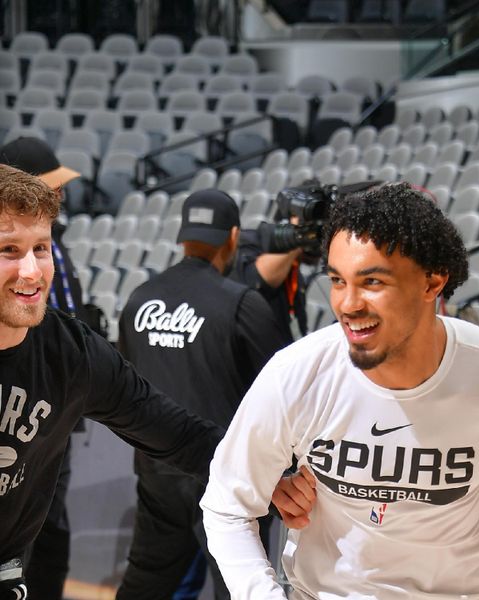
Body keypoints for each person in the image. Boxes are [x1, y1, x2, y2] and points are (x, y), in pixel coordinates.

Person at [200, 182, 479, 598]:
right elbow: (228, 505)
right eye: (337, 280)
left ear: (432, 283)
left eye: (372, 283)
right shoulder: (296, 372)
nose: (347, 304)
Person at [0, 165, 311, 600]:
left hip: (17, 564)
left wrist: (262, 474)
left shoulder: (72, 352)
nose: (32, 271)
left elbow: (170, 427)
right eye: (9, 250)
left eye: (42, 248)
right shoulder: (240, 303)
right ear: (233, 239)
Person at [116, 189, 290, 598]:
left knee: (145, 582)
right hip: (224, 473)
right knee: (236, 585)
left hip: (156, 469)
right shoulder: (242, 303)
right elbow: (284, 387)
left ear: (182, 236)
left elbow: (126, 380)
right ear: (232, 236)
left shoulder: (140, 299)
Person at [0, 136, 99, 600]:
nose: (59, 195)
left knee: (48, 520)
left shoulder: (53, 244)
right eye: (50, 185)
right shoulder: (43, 252)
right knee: (35, 524)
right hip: (35, 402)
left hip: (51, 401)